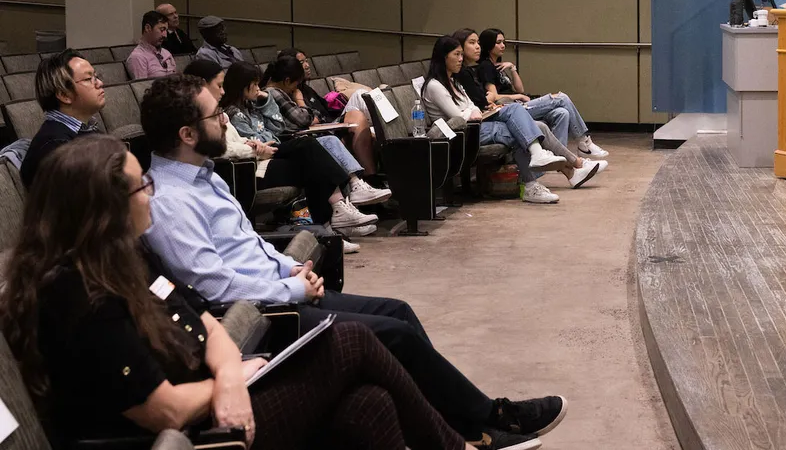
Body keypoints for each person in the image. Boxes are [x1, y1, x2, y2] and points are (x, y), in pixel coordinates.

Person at [139, 75, 566, 450]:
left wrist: (286, 266)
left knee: (397, 311)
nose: (226, 120)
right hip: (265, 314)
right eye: (215, 116)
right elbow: (215, 287)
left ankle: (477, 422)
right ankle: (486, 421)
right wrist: (292, 289)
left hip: (278, 288)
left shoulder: (205, 173)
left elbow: (246, 242)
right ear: (187, 134)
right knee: (392, 335)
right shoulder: (169, 202)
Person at [0, 134, 476, 450]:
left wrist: (230, 370)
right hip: (185, 437)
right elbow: (159, 410)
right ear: (104, 207)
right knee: (352, 343)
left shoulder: (125, 255)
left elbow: (204, 319)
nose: (150, 192)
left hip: (213, 401)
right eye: (139, 185)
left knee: (367, 404)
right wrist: (225, 385)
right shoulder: (79, 293)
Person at [183, 58, 374, 251]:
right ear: (202, 85)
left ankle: (331, 226)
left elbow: (248, 135)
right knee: (310, 157)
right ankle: (332, 222)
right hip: (244, 172)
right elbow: (220, 148)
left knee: (311, 159)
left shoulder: (219, 112)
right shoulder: (201, 115)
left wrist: (252, 142)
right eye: (219, 85)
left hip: (256, 160)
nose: (222, 91)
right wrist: (254, 148)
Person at [220, 62, 390, 225]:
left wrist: (267, 102)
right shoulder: (233, 113)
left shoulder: (253, 105)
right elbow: (259, 141)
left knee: (328, 141)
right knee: (308, 148)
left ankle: (352, 189)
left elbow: (278, 126)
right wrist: (266, 135)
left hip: (274, 145)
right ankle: (335, 215)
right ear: (243, 86)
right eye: (255, 85)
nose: (259, 89)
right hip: (265, 154)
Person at [421, 37, 574, 204]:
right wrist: (471, 111)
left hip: (476, 126)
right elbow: (457, 117)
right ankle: (536, 179)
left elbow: (472, 107)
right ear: (443, 57)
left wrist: (472, 111)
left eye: (460, 55)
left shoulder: (453, 81)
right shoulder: (435, 86)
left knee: (520, 113)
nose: (460, 59)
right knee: (522, 130)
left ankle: (537, 166)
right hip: (461, 134)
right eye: (456, 54)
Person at [451, 31, 606, 190]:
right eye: (472, 43)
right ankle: (581, 147)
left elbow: (515, 90)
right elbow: (485, 100)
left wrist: (512, 69)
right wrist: (505, 98)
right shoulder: (481, 68)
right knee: (560, 98)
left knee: (561, 113)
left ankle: (562, 163)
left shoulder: (481, 69)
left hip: (504, 108)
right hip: (498, 112)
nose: (477, 47)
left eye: (477, 42)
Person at [19, 49, 106, 188]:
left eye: (97, 76)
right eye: (89, 79)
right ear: (64, 95)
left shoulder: (87, 130)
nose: (100, 83)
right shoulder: (55, 148)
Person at [126, 10, 177, 79]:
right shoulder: (138, 57)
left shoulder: (166, 53)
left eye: (166, 30)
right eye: (162, 30)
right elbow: (141, 88)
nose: (165, 35)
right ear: (148, 28)